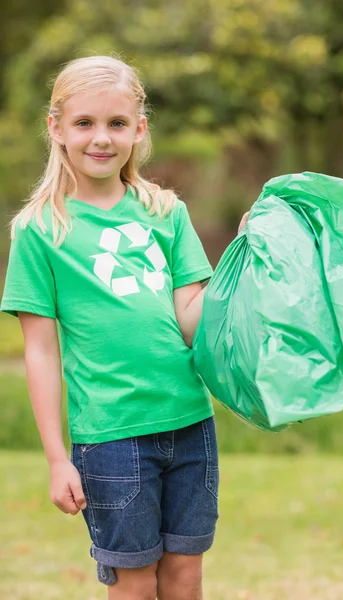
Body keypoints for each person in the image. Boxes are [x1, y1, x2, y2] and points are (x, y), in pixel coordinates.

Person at [1, 55, 248, 600]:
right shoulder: (41, 231)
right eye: (85, 123)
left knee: (185, 577)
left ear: (139, 129)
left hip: (189, 425)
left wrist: (242, 261)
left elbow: (191, 320)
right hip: (112, 438)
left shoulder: (166, 211)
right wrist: (56, 458)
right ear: (57, 128)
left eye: (117, 123)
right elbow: (40, 352)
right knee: (134, 585)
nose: (101, 139)